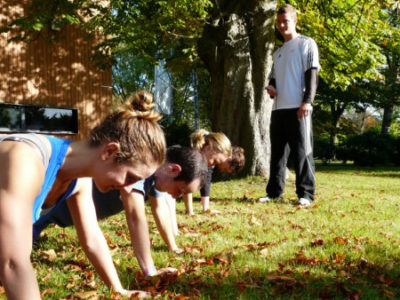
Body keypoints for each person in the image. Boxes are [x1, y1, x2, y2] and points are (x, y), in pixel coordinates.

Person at [0, 91, 166, 299]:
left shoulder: (79, 179)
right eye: (130, 177)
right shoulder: (26, 158)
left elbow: (92, 239)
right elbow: (12, 262)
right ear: (109, 152)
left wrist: (119, 290)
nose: (127, 188)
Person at [33, 146, 208, 268]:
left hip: (64, 213)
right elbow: (135, 217)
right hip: (45, 209)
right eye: (180, 190)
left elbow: (160, 210)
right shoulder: (141, 168)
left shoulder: (157, 178)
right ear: (173, 170)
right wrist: (149, 270)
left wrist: (173, 246)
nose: (176, 196)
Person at [259, 4, 320, 206]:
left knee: (302, 152)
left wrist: (307, 102)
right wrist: (271, 87)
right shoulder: (278, 53)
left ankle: (306, 194)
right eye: (279, 23)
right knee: (277, 154)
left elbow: (312, 74)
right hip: (278, 109)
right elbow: (274, 79)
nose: (282, 25)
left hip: (299, 108)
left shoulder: (307, 44)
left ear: (294, 21)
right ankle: (274, 193)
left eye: (285, 21)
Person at [182, 129, 232, 216]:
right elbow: (187, 184)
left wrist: (206, 209)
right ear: (208, 148)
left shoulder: (206, 158)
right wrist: (190, 212)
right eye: (215, 161)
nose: (214, 165)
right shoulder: (191, 156)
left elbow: (206, 181)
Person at [194, 146, 245, 214]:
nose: (222, 170)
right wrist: (190, 211)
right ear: (228, 159)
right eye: (225, 169)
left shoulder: (212, 161)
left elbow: (206, 180)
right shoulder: (210, 155)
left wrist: (205, 208)